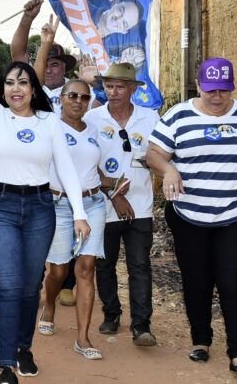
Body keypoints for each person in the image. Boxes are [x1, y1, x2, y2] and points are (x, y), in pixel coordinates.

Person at [0, 0, 90, 384]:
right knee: (9, 288)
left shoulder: (49, 123)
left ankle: (24, 345)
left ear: (33, 88)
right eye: (9, 82)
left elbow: (65, 167)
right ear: (3, 88)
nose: (15, 88)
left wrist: (79, 212)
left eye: (23, 82)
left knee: (30, 288)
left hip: (41, 208)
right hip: (1, 207)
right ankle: (6, 364)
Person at [146, 57, 237, 378]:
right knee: (197, 279)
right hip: (189, 216)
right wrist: (168, 168)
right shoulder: (178, 117)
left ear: (231, 87)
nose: (217, 97)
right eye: (211, 90)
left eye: (224, 90)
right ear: (198, 86)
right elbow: (154, 153)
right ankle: (201, 340)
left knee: (235, 282)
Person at [32, 17, 120, 361]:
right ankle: (49, 302)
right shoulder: (49, 123)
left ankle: (83, 338)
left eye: (84, 97)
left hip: (94, 204)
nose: (79, 101)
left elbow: (95, 167)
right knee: (57, 271)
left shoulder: (95, 127)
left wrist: (116, 184)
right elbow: (36, 82)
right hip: (57, 205)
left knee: (86, 269)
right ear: (62, 98)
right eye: (72, 95)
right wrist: (45, 43)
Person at [85, 62, 160, 347]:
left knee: (139, 265)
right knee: (104, 264)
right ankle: (111, 313)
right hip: (102, 206)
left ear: (132, 89)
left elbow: (160, 156)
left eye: (119, 87)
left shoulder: (150, 118)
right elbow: (86, 161)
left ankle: (142, 325)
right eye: (108, 86)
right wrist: (114, 193)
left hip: (141, 205)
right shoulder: (92, 118)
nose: (113, 92)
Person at [10, 0, 78, 115]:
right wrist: (27, 18)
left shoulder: (77, 89)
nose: (48, 70)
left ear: (64, 67)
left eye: (54, 64)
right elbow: (18, 53)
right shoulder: (29, 85)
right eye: (44, 64)